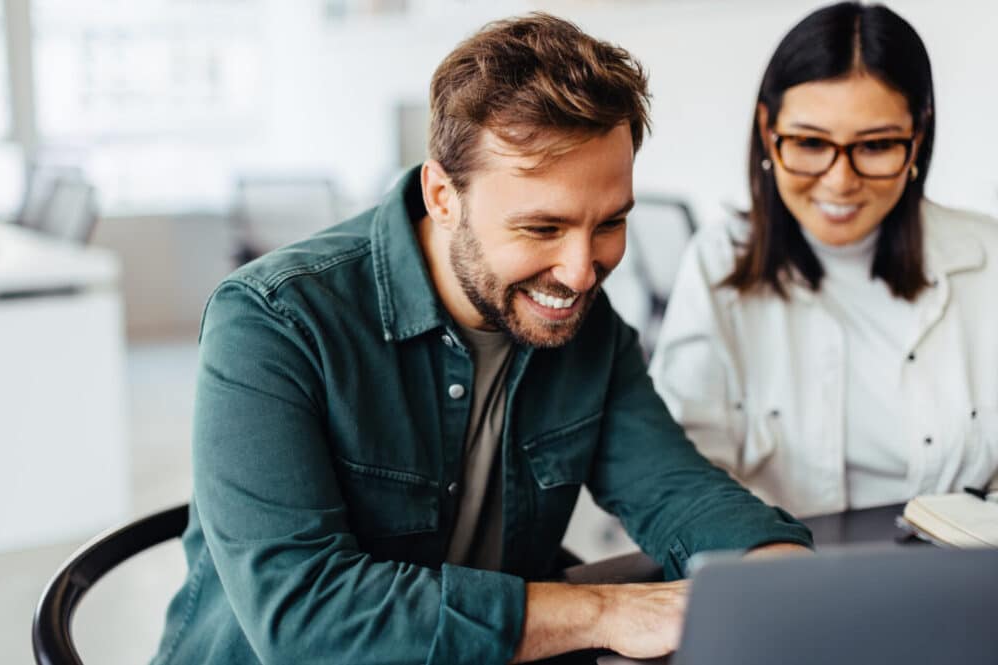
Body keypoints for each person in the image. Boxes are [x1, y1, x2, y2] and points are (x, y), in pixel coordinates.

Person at [151, 14, 812, 665]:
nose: (581, 273)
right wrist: (602, 610)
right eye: (542, 228)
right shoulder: (272, 322)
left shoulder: (585, 324)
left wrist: (782, 575)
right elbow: (307, 620)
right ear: (443, 196)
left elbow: (676, 490)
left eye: (609, 222)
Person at [650, 2, 998, 519]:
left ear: (917, 139)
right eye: (811, 143)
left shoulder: (988, 257)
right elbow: (679, 478)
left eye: (876, 145)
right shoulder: (718, 263)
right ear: (768, 130)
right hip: (782, 578)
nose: (840, 181)